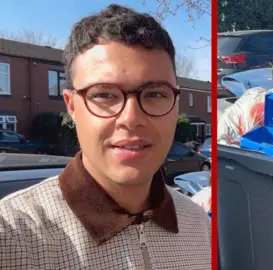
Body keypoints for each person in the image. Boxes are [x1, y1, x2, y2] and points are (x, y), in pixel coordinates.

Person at [0, 4, 211, 269]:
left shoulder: (198, 225)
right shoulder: (13, 238)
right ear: (72, 106)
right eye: (104, 94)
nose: (131, 118)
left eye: (155, 94)